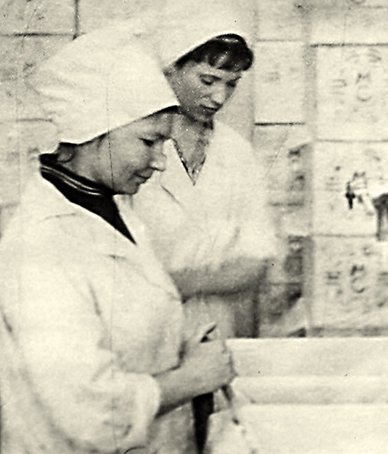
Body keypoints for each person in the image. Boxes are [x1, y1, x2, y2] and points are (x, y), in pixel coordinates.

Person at [0, 34, 234, 453]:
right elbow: (87, 412)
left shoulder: (111, 207)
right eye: (148, 142)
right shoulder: (43, 245)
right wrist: (192, 379)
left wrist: (176, 342)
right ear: (94, 134)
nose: (160, 161)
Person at [126, 3, 278, 450]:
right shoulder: (133, 145)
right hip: (139, 334)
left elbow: (257, 261)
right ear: (170, 69)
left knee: (209, 438)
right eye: (207, 80)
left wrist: (176, 282)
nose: (219, 97)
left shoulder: (237, 154)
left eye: (231, 84)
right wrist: (205, 276)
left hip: (214, 331)